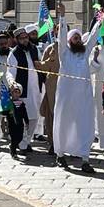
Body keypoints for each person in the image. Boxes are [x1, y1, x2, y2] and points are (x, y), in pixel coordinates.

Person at [53, 2, 103, 173]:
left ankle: (85, 159)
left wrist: (101, 17)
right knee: (63, 125)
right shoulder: (64, 54)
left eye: (79, 38)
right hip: (66, 98)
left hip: (83, 97)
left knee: (85, 125)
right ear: (69, 41)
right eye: (74, 38)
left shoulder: (85, 52)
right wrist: (62, 15)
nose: (78, 40)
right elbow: (61, 37)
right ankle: (60, 155)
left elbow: (94, 36)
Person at [6, 27, 44, 155]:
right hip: (21, 92)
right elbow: (10, 72)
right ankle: (20, 143)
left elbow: (41, 65)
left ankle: (25, 142)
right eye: (22, 38)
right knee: (20, 121)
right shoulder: (14, 54)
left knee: (34, 118)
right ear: (17, 40)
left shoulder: (34, 49)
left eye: (26, 38)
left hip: (35, 90)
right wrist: (13, 84)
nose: (25, 40)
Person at [34, 24, 61, 155]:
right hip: (53, 87)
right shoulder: (51, 49)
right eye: (59, 30)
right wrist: (46, 62)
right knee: (51, 116)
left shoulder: (73, 49)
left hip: (69, 89)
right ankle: (53, 143)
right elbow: (43, 68)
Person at [6, 82, 29, 159]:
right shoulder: (9, 103)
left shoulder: (21, 103)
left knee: (20, 137)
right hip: (11, 124)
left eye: (18, 92)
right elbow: (4, 113)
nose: (16, 94)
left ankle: (12, 146)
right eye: (14, 92)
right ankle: (13, 152)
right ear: (11, 93)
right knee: (13, 138)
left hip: (20, 124)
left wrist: (27, 122)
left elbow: (24, 114)